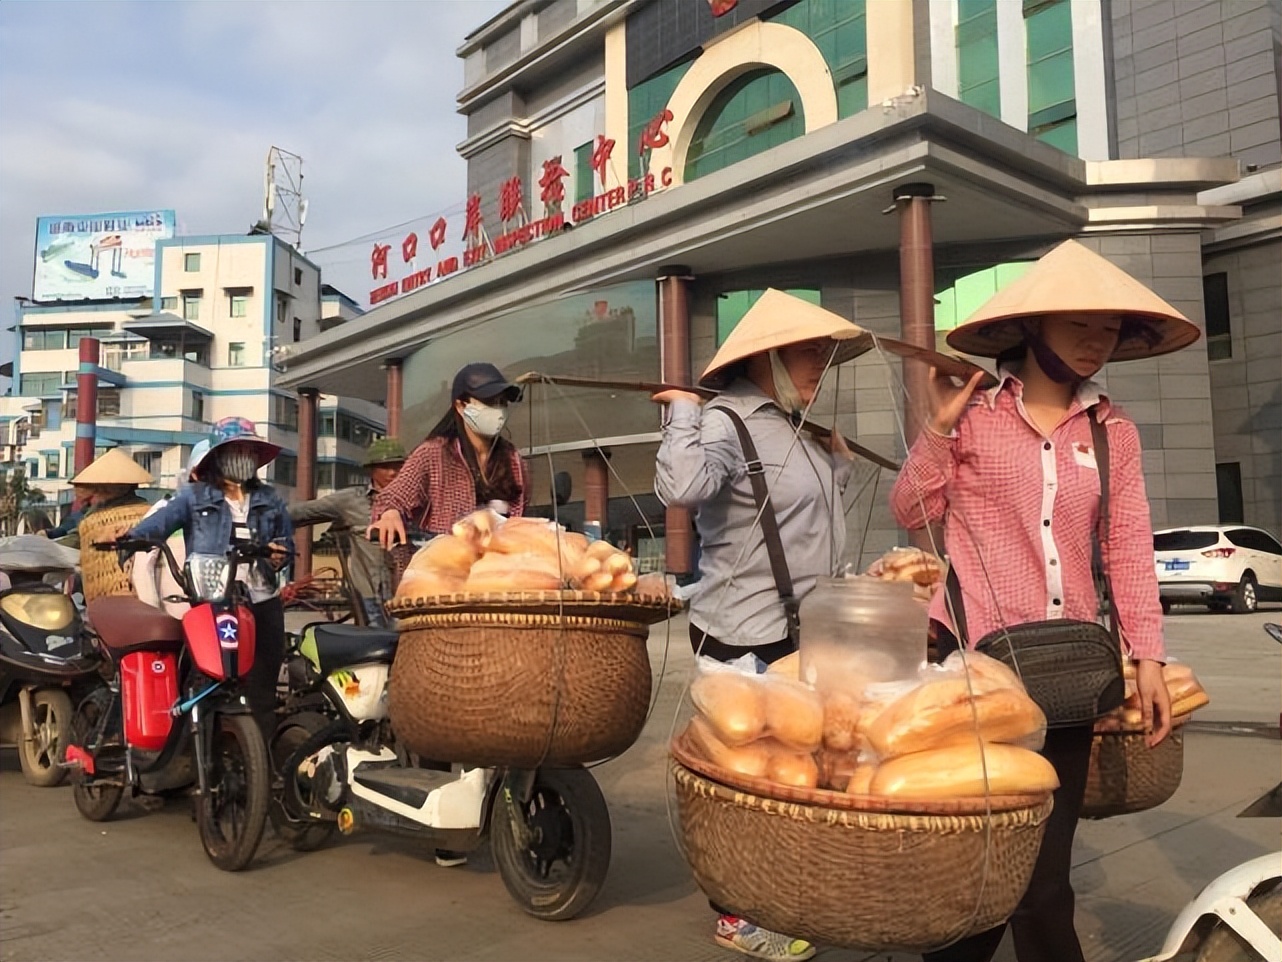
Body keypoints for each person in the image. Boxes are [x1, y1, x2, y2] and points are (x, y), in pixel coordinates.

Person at [889, 239, 1194, 962]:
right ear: (1032, 328)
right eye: (1078, 325)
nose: (1096, 342)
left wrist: (1148, 655)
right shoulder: (975, 416)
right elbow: (912, 510)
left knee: (1042, 877)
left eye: (1109, 329)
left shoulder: (1113, 431)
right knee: (982, 867)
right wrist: (938, 428)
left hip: (1069, 673)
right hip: (978, 673)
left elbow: (1127, 544)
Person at [653, 289, 864, 962]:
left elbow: (806, 521)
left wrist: (836, 466)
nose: (819, 365)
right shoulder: (725, 421)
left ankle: (783, 892)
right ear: (766, 357)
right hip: (742, 635)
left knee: (797, 776)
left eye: (823, 354)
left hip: (804, 635)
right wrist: (683, 413)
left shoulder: (798, 429)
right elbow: (682, 488)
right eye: (807, 352)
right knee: (744, 782)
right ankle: (736, 912)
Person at [126, 418, 293, 739]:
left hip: (262, 599)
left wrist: (280, 554)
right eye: (235, 451)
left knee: (262, 688)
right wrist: (131, 538)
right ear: (218, 458)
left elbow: (285, 542)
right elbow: (159, 523)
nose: (242, 458)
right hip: (214, 600)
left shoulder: (270, 500)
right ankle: (195, 749)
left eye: (248, 451)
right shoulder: (194, 498)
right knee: (206, 679)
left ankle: (262, 759)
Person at [368, 362, 530, 555]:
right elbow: (394, 496)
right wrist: (390, 514)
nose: (498, 410)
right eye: (489, 402)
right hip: (441, 564)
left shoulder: (514, 460)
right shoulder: (434, 453)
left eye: (502, 402)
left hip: (498, 566)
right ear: (461, 406)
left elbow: (519, 519)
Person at [289, 437, 406, 627]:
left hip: (410, 592)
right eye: (385, 467)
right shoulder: (351, 500)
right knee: (377, 641)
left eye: (398, 466)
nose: (393, 472)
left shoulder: (416, 501)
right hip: (370, 595)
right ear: (371, 469)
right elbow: (298, 513)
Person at [132, 440, 210, 620]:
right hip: (177, 615)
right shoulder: (167, 509)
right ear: (194, 474)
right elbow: (143, 566)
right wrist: (154, 614)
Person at [53, 449, 153, 549]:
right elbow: (79, 536)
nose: (99, 489)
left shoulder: (139, 509)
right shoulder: (97, 508)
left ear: (125, 486)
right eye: (99, 484)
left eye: (107, 485)